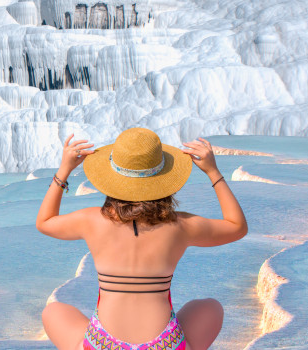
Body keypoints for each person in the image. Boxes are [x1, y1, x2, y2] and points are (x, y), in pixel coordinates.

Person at [36, 127, 247, 350]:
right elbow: (237, 226)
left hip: (102, 346)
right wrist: (213, 172)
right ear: (164, 178)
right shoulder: (181, 226)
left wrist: (64, 171)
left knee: (54, 311)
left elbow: (44, 222)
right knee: (210, 308)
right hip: (166, 346)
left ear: (111, 178)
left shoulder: (91, 221)